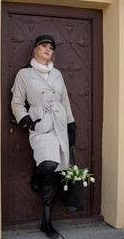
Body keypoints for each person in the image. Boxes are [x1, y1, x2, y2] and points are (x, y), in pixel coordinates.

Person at [11, 35, 77, 239]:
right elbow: (17, 102)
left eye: (51, 47)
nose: (48, 49)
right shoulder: (24, 74)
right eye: (44, 46)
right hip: (41, 126)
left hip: (59, 124)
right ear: (36, 49)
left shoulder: (57, 74)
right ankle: (36, 176)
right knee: (47, 165)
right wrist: (27, 120)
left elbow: (64, 100)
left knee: (54, 174)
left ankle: (46, 223)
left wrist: (71, 124)